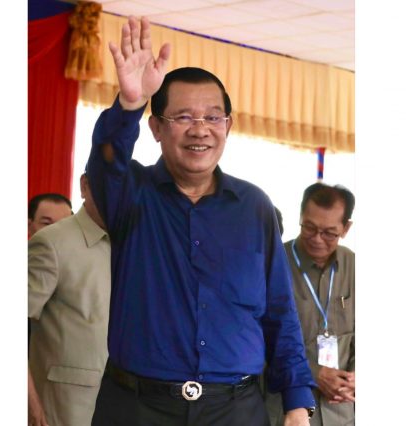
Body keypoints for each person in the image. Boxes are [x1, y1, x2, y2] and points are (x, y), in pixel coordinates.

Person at [86, 16, 316, 426]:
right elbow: (105, 160)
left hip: (236, 409)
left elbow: (280, 312)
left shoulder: (254, 207)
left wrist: (297, 402)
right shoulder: (130, 194)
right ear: (156, 128)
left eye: (212, 117)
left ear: (229, 125)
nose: (200, 130)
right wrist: (129, 105)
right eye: (183, 118)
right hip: (139, 408)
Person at [265, 182, 355, 426]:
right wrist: (314, 373)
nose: (317, 239)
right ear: (300, 217)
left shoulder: (354, 265)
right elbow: (258, 341)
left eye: (329, 233)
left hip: (343, 412)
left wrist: (354, 377)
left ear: (346, 228)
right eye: (309, 227)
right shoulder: (273, 263)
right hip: (286, 412)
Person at [28, 174, 111, 426]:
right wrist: (31, 405)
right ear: (85, 185)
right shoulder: (51, 242)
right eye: (110, 181)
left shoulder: (132, 241)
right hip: (64, 405)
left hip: (125, 401)